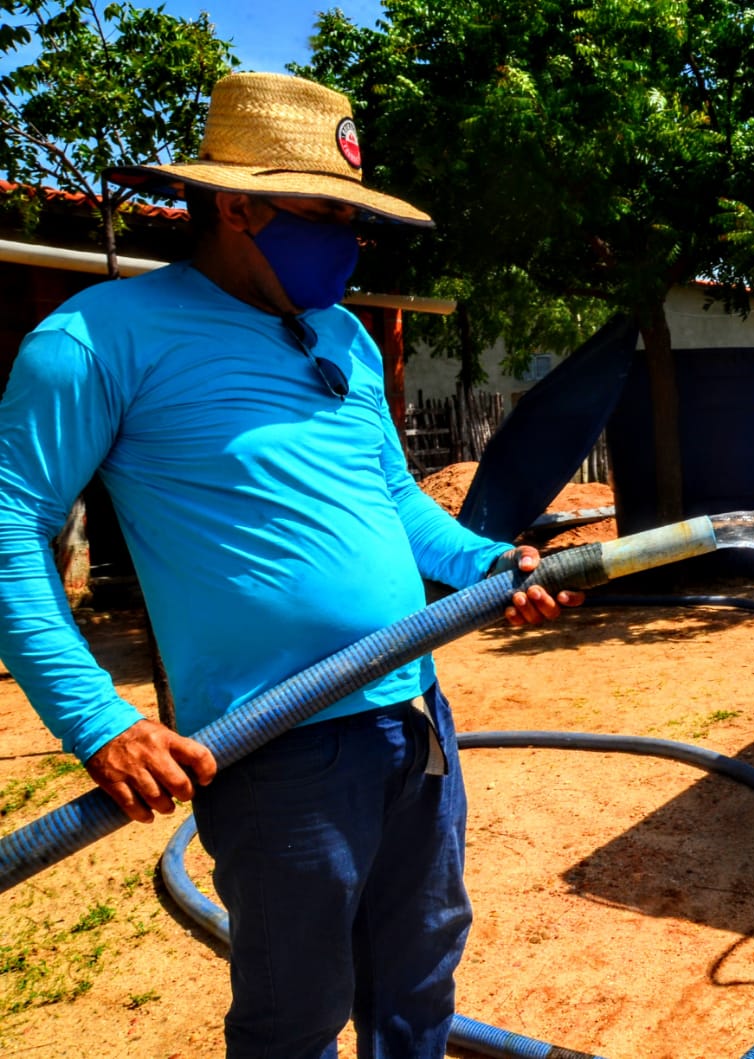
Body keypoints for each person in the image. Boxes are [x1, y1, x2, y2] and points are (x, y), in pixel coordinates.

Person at [0, 72, 580, 1056]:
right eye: (327, 215)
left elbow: (396, 504)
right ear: (237, 205)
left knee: (420, 967)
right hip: (275, 747)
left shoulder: (347, 339)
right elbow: (10, 528)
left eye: (357, 220)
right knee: (298, 1011)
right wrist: (99, 720)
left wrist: (489, 561)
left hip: (412, 715)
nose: (350, 243)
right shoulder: (96, 343)